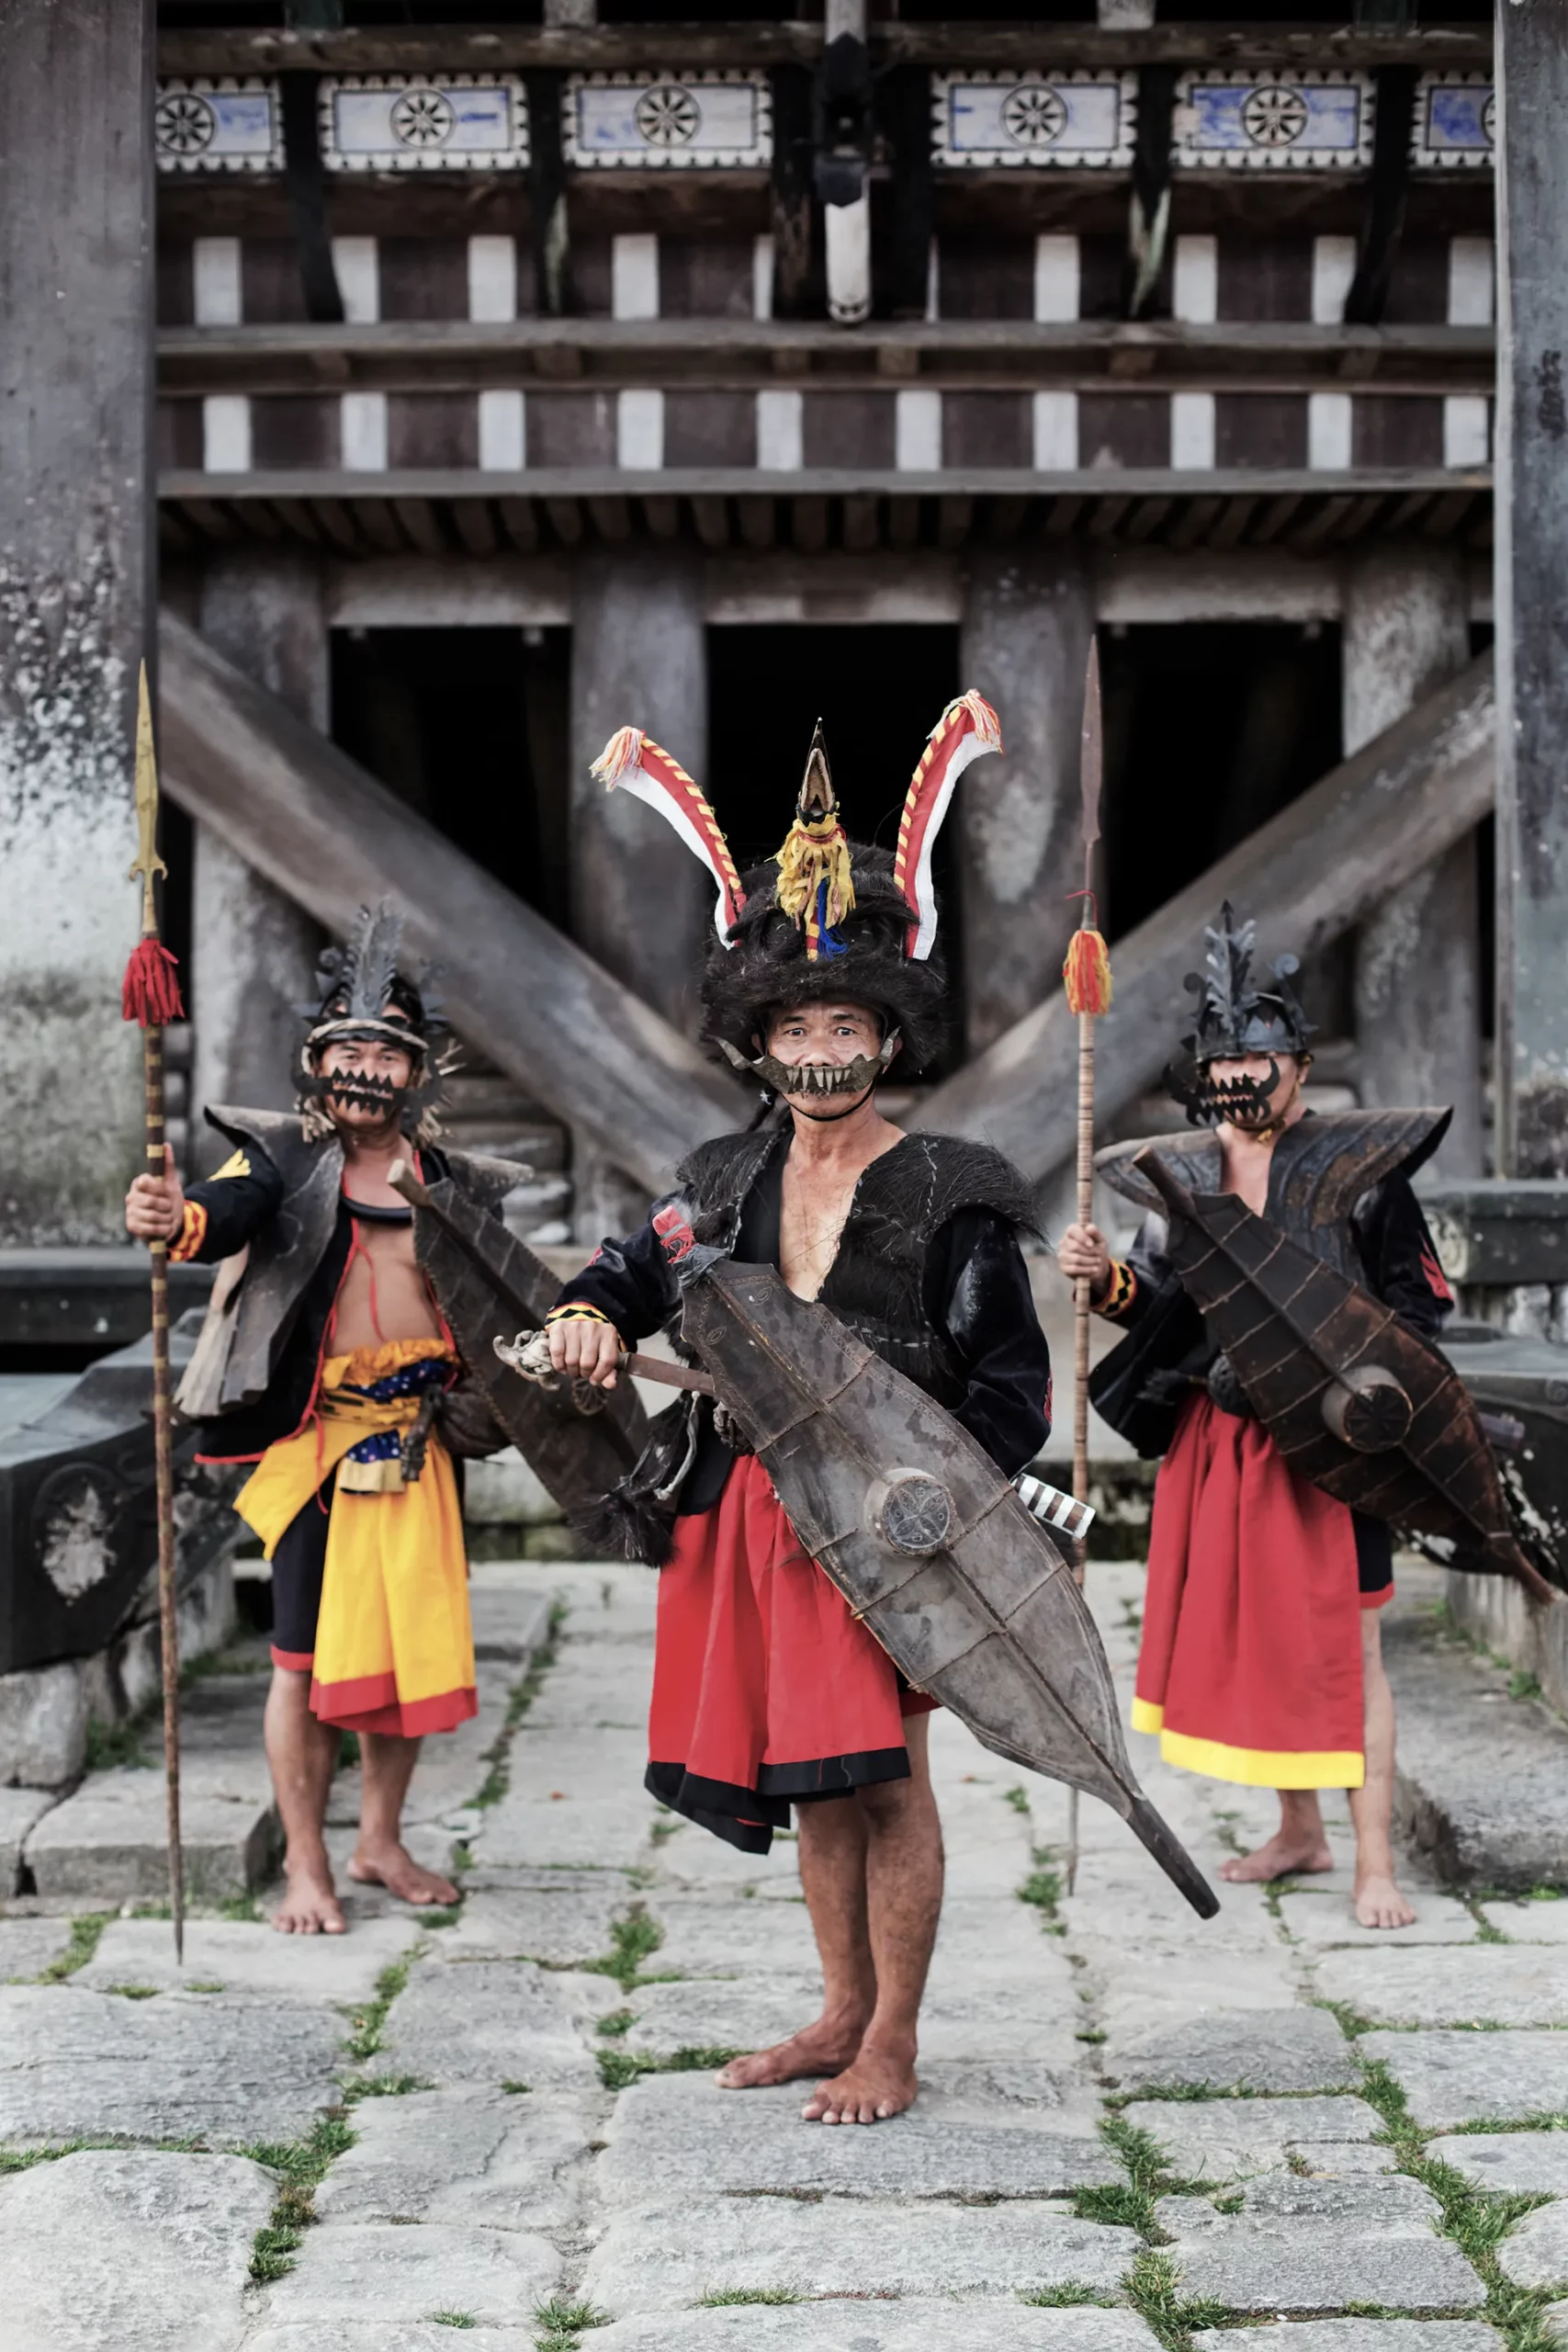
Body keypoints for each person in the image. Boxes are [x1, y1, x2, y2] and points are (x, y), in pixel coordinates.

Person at [546, 704, 1052, 2122]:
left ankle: (893, 2035)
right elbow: (624, 1272)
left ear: (883, 1031)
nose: (822, 1048)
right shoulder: (712, 1177)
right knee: (815, 1781)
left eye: (845, 1022)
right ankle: (836, 2009)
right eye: (795, 1025)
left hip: (890, 1523)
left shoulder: (953, 1188)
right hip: (748, 1515)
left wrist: (932, 1501)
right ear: (756, 1042)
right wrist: (590, 1316)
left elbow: (1011, 1389)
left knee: (887, 1784)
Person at [1057, 904, 1455, 1932]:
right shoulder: (1179, 1179)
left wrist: (1361, 1391)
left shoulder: (1364, 1177)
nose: (1243, 1076)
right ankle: (1300, 1831)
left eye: (1261, 1059)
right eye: (1225, 1058)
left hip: (1332, 1444)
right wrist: (1106, 1284)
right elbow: (1163, 1311)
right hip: (1224, 1441)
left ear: (1301, 1070)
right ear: (1206, 1071)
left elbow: (1416, 1312)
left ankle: (1372, 1861)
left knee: (1349, 1649)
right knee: (1269, 1642)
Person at [125, 904, 518, 1937]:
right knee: (299, 1662)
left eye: (384, 1053)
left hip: (423, 1443)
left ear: (414, 1070)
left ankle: (379, 1839)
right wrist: (178, 1220)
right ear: (315, 1062)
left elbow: (503, 1301)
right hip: (320, 1443)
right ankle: (306, 1862)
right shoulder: (278, 1160)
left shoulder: (457, 1184)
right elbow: (221, 1215)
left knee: (411, 1654)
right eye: (345, 1048)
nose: (365, 1069)